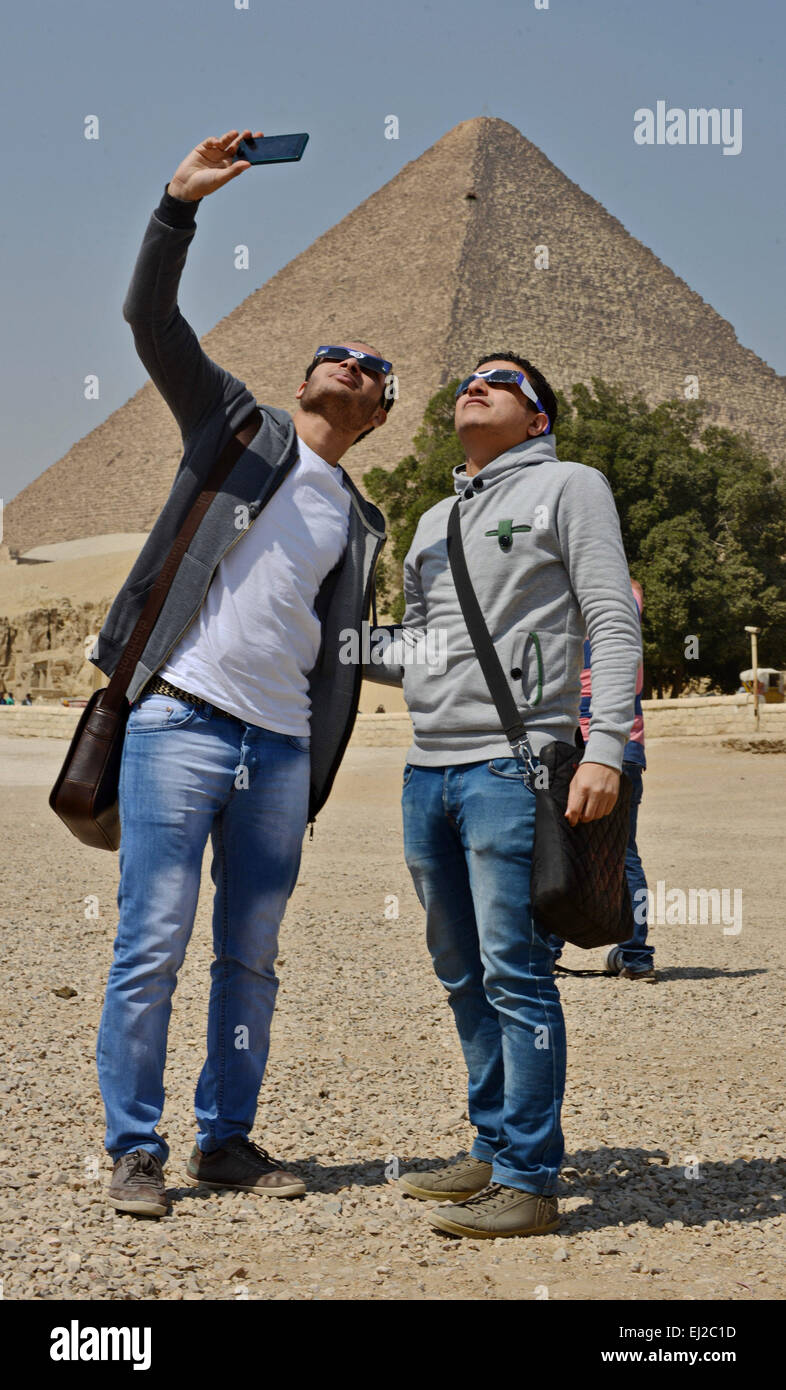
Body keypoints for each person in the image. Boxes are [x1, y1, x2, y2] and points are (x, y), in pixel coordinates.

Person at [88, 129, 395, 1218]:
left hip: (276, 754)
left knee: (252, 958)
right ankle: (135, 1146)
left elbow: (351, 649)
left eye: (369, 365)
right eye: (334, 350)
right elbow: (151, 322)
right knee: (151, 941)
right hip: (179, 722)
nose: (345, 362)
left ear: (378, 413)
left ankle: (227, 1140)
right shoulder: (235, 428)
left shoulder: (361, 522)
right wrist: (179, 204)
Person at [367, 353, 640, 1238]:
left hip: (516, 764)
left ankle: (528, 1175)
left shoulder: (571, 485)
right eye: (467, 379)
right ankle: (490, 1146)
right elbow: (418, 648)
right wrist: (300, 631)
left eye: (502, 380)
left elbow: (611, 615)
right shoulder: (433, 520)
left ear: (538, 420)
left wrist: (602, 745)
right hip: (427, 769)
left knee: (517, 971)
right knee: (460, 972)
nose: (473, 385)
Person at [551, 579, 655, 980]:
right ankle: (637, 956)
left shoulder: (572, 590)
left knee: (553, 843)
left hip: (571, 736)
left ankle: (545, 950)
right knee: (624, 852)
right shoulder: (630, 592)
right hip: (626, 741)